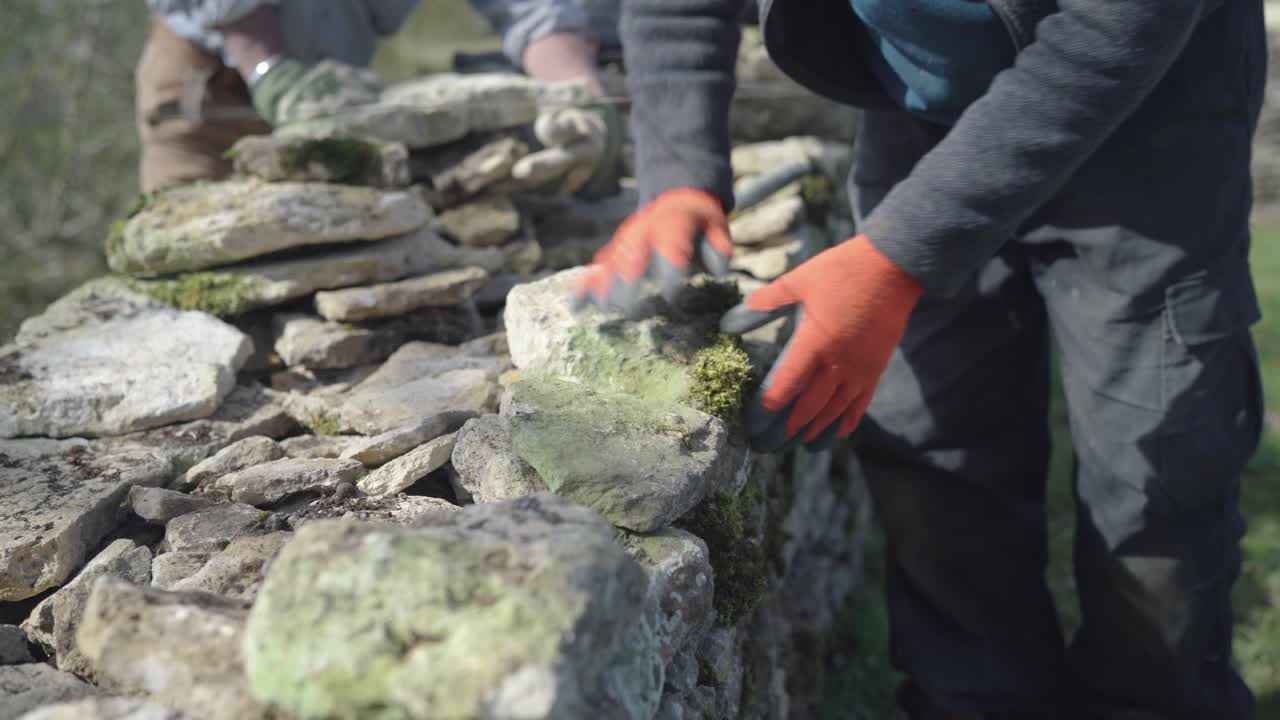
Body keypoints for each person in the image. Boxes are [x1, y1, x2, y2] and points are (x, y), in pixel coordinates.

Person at [577, 0, 1266, 718]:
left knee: (1152, 469)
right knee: (932, 450)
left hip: (1148, 113)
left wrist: (899, 257)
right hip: (920, 116)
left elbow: (1118, 25)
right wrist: (680, 171)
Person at [135, 0, 613, 193]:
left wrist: (576, 93)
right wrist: (268, 67)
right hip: (217, 77)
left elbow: (532, 7)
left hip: (338, 69)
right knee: (196, 257)